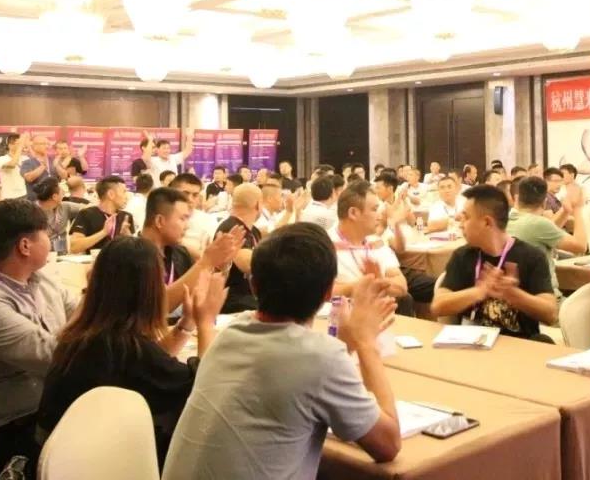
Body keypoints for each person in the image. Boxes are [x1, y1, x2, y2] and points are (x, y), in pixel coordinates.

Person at [162, 224, 401, 479]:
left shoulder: (230, 335)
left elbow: (292, 366)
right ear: (328, 292)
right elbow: (388, 444)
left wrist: (344, 345)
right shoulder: (321, 359)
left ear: (253, 286)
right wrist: (366, 343)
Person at [37, 237, 227, 469]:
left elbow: (154, 362)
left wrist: (187, 322)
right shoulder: (121, 345)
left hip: (67, 459)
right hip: (98, 466)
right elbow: (203, 388)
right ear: (147, 291)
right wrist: (205, 322)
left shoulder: (86, 334)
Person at [0, 200, 81, 475]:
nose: (51, 240)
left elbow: (82, 315)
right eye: (46, 233)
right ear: (25, 246)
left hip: (49, 407)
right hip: (15, 427)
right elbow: (53, 357)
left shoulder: (39, 279)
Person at [432, 185, 557, 341]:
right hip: (470, 342)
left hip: (518, 345)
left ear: (487, 222)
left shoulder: (532, 257)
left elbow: (550, 314)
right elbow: (437, 306)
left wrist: (513, 294)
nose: (461, 224)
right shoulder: (463, 255)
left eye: (466, 218)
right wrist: (479, 292)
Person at [139, 187, 242, 314]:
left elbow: (203, 296)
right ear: (159, 221)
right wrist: (206, 262)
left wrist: (221, 267)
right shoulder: (130, 254)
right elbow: (158, 307)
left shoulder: (180, 253)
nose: (187, 226)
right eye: (182, 219)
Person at [328, 181, 415, 316]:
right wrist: (366, 285)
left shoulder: (375, 242)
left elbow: (401, 286)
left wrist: (376, 284)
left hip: (382, 316)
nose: (380, 216)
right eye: (374, 209)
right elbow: (320, 291)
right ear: (353, 213)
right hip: (342, 318)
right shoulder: (325, 245)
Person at [506, 176, 588, 300]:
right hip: (545, 299)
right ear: (544, 202)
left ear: (517, 198)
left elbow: (548, 232)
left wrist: (565, 211)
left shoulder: (507, 219)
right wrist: (578, 209)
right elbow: (580, 246)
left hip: (519, 296)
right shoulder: (538, 224)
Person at [217, 184, 265, 314]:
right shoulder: (231, 228)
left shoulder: (253, 231)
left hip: (248, 298)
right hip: (234, 301)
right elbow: (248, 265)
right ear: (258, 204)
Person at [69, 176, 135, 254]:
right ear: (111, 194)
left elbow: (134, 252)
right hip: (95, 260)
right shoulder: (86, 214)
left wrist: (128, 236)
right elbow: (74, 247)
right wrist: (104, 232)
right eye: (124, 192)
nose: (126, 197)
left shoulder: (126, 217)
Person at [34, 177, 83, 255]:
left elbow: (87, 208)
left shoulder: (64, 207)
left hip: (62, 254)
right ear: (54, 197)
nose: (64, 192)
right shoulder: (32, 213)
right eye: (61, 191)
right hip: (41, 254)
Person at [19, 134, 54, 202]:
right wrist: (43, 166)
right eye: (43, 144)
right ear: (34, 146)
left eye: (48, 144)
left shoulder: (52, 160)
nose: (46, 146)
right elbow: (29, 178)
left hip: (53, 200)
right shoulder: (27, 162)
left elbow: (63, 177)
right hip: (36, 201)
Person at [0, 132, 28, 200]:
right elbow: (11, 165)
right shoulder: (1, 159)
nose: (22, 145)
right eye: (18, 143)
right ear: (10, 145)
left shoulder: (25, 158)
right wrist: (20, 147)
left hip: (23, 195)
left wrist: (29, 146)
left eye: (21, 144)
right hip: (8, 197)